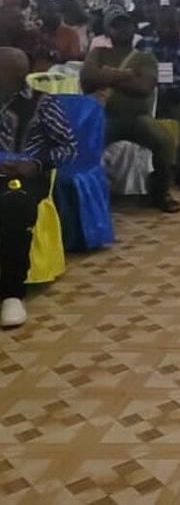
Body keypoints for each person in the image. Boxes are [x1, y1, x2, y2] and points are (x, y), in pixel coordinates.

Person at [0, 47, 76, 327]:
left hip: (25, 175)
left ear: (15, 74)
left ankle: (11, 294)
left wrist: (35, 164)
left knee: (13, 203)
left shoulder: (43, 103)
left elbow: (68, 148)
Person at [81, 7, 180, 212]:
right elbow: (87, 79)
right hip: (105, 117)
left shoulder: (145, 57)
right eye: (115, 25)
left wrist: (106, 75)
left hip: (138, 118)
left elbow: (144, 87)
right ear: (107, 31)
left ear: (134, 28)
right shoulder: (98, 53)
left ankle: (160, 193)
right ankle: (88, 196)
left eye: (126, 24)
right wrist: (126, 74)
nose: (122, 29)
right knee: (85, 144)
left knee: (165, 141)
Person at [136, 7, 180, 191]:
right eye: (163, 26)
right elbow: (132, 75)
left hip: (177, 99)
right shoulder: (144, 46)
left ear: (178, 26)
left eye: (171, 26)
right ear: (156, 26)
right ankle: (146, 168)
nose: (167, 30)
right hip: (148, 97)